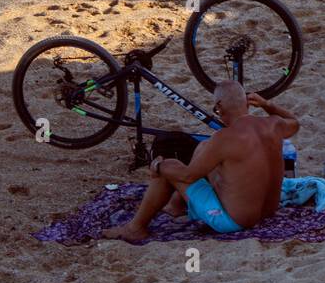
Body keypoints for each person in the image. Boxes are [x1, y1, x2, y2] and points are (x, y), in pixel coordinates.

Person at [101, 82, 299, 242]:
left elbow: (188, 175)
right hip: (268, 211)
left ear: (219, 107)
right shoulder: (273, 124)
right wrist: (267, 105)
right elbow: (295, 123)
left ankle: (136, 228)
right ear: (247, 103)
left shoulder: (224, 138)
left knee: (171, 167)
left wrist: (158, 166)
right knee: (205, 149)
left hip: (234, 221)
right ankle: (177, 204)